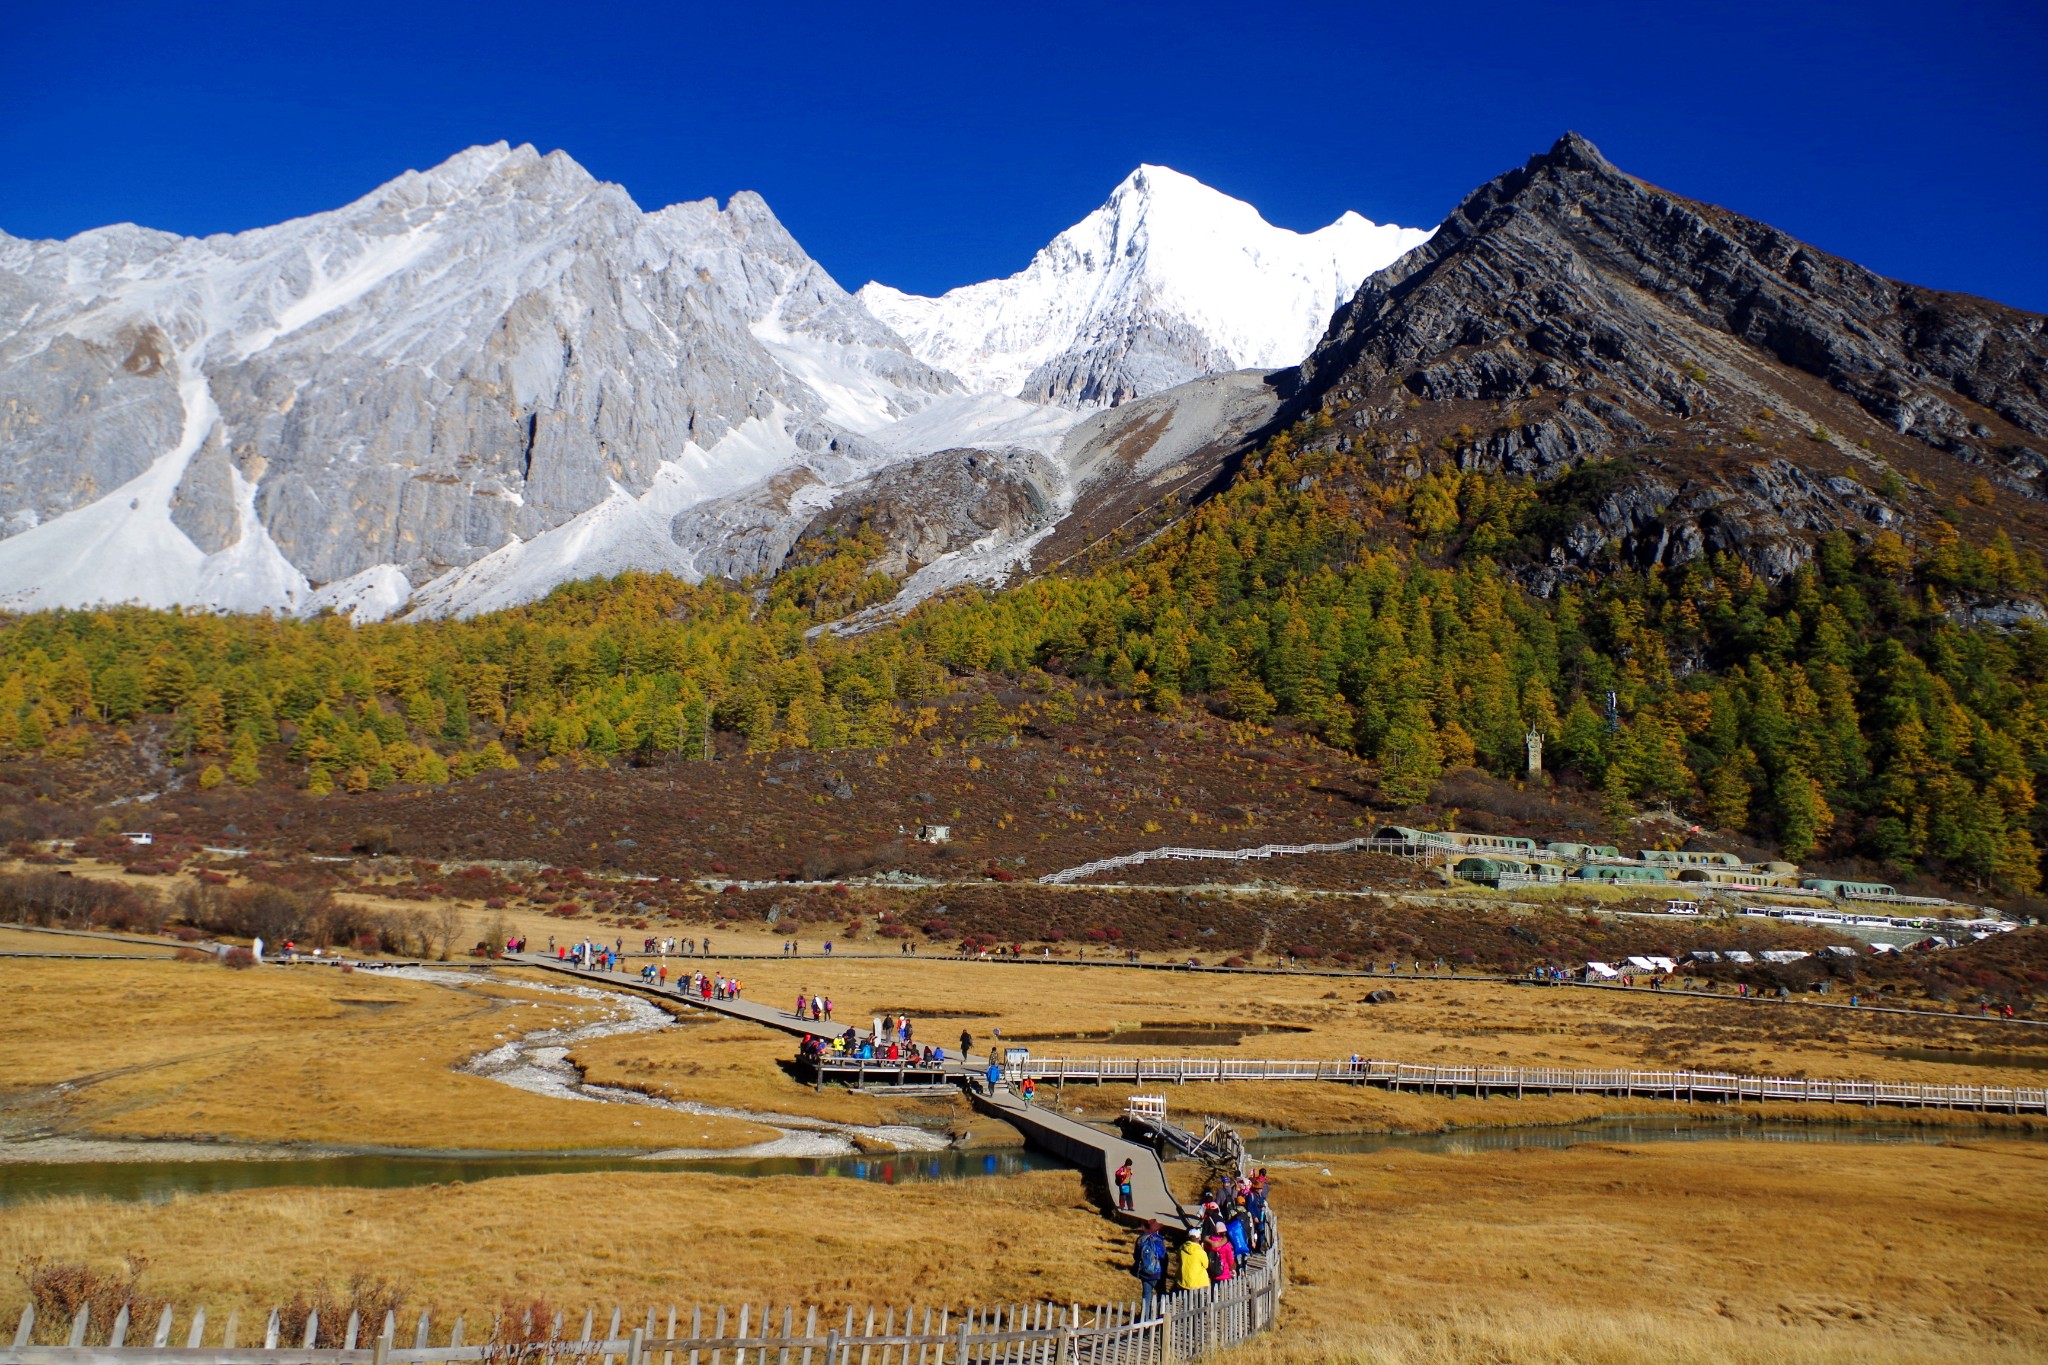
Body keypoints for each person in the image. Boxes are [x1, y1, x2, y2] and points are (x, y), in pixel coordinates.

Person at [1132, 1221, 1167, 1316]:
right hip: (1157, 1273)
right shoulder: (1158, 1241)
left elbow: (1136, 1256)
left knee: (1146, 1295)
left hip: (1145, 1273)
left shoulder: (1140, 1240)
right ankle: (1159, 1316)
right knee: (1161, 1295)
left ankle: (1145, 1318)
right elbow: (1163, 1256)